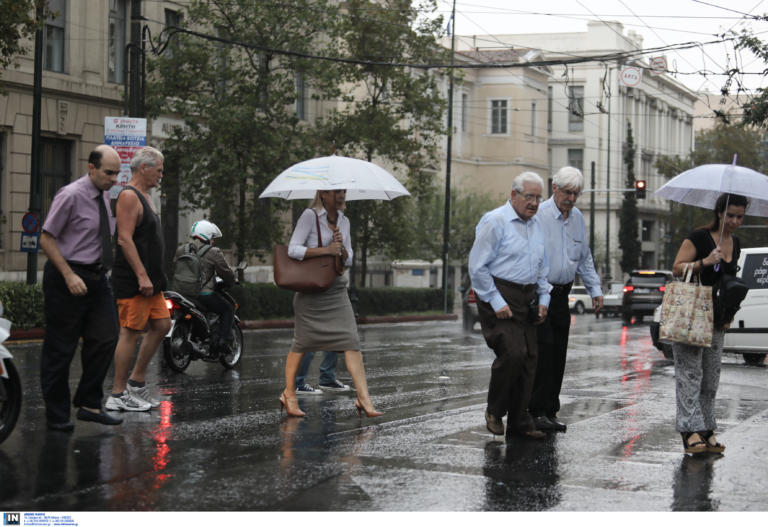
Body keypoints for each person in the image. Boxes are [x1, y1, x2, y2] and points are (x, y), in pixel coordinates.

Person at [39, 145, 123, 430]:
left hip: (97, 278)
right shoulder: (71, 195)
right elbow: (47, 239)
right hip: (67, 276)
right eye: (108, 173)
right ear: (91, 168)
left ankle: (88, 403)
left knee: (107, 336)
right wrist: (68, 275)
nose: (113, 179)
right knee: (60, 349)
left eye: (116, 173)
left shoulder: (106, 196)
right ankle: (57, 416)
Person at [279, 189, 381, 418]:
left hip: (335, 288)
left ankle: (363, 398)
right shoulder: (310, 216)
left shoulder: (345, 221)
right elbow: (293, 249)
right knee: (302, 343)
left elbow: (350, 257)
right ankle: (289, 394)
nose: (342, 196)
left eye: (344, 192)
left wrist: (342, 249)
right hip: (311, 289)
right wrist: (326, 249)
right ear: (324, 195)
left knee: (351, 341)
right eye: (337, 192)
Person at [468, 172, 551, 440]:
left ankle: (519, 421)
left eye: (539, 197)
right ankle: (495, 410)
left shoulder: (537, 225)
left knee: (529, 359)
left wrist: (544, 300)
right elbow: (477, 267)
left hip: (526, 296)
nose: (535, 203)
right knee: (513, 354)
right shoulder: (495, 221)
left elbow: (542, 268)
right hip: (499, 292)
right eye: (529, 197)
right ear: (514, 195)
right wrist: (496, 301)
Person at [670, 192, 747, 455]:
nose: (735, 221)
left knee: (711, 379)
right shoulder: (699, 238)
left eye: (740, 216)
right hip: (692, 315)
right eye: (731, 215)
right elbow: (677, 269)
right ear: (719, 213)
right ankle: (689, 430)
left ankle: (706, 428)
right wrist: (705, 262)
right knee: (690, 375)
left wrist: (729, 314)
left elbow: (728, 284)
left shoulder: (734, 242)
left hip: (717, 318)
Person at [529, 166, 603, 433]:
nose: (571, 198)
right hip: (540, 294)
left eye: (576, 193)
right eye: (567, 192)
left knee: (558, 354)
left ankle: (549, 411)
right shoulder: (539, 216)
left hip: (563, 294)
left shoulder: (578, 218)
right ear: (554, 189)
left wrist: (595, 290)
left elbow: (583, 257)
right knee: (543, 352)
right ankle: (533, 410)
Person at [105, 146, 170, 412]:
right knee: (130, 332)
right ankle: (118, 394)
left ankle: (137, 382)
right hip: (135, 281)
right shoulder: (129, 196)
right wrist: (142, 275)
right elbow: (124, 238)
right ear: (144, 168)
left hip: (152, 283)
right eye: (159, 170)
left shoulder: (144, 195)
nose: (161, 176)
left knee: (162, 324)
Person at [176, 220, 235, 352]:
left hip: (182, 294)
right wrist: (231, 281)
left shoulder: (181, 249)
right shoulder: (213, 252)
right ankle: (222, 342)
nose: (213, 241)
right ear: (206, 236)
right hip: (203, 295)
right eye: (212, 238)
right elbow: (226, 272)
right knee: (228, 309)